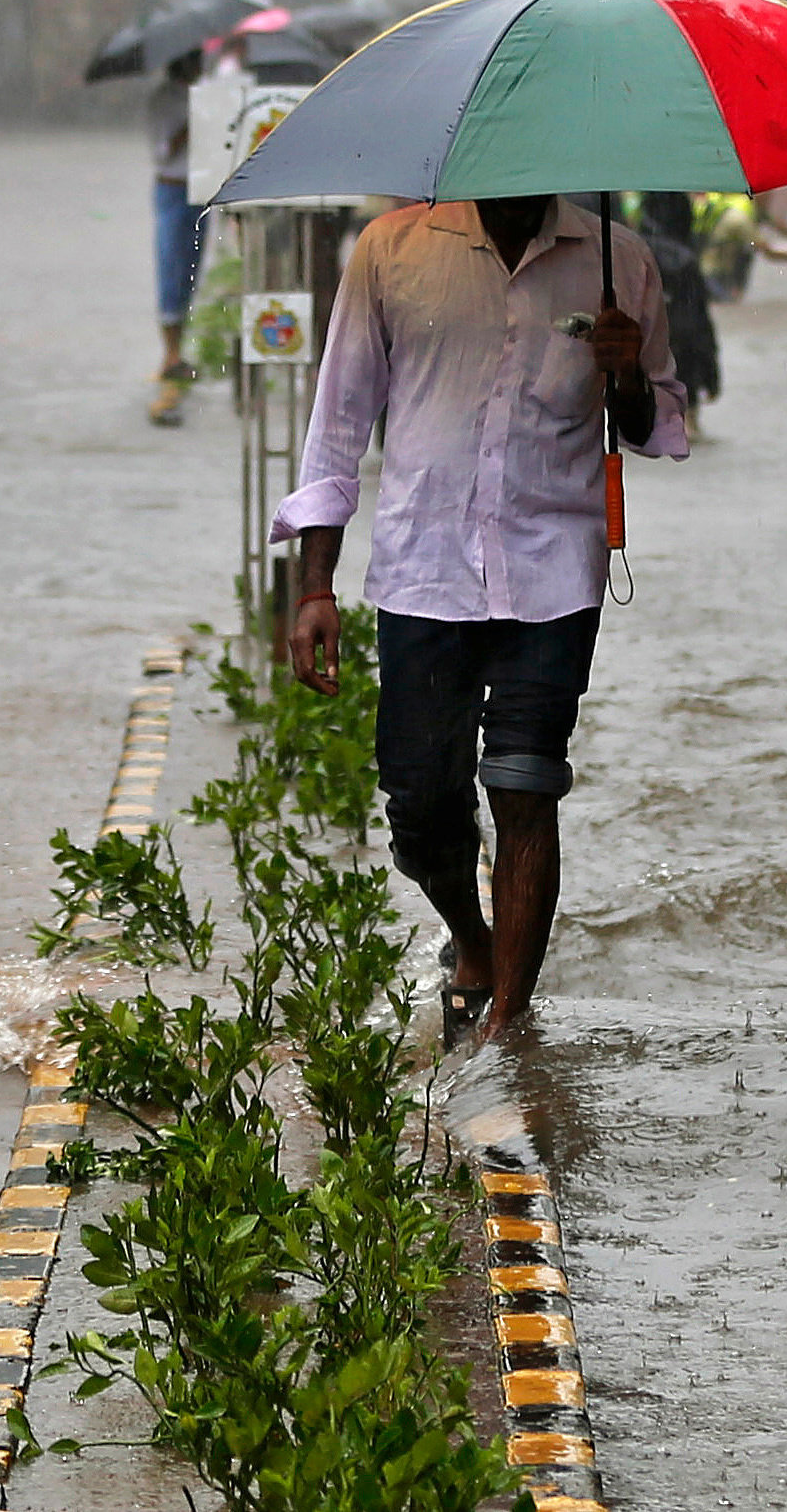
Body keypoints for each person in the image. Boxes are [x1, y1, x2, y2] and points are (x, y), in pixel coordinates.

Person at [277, 193, 688, 1044]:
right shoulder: (390, 251)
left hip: (555, 569)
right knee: (420, 807)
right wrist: (315, 584)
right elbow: (338, 424)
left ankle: (508, 1025)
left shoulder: (621, 260)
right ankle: (473, 937)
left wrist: (626, 373)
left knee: (527, 784)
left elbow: (654, 424)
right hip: (424, 567)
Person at [148, 51, 208, 425]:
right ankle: (169, 352)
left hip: (198, 191)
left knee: (191, 271)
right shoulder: (163, 101)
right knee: (170, 267)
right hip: (172, 189)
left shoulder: (203, 96)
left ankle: (179, 348)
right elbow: (163, 150)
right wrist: (192, 124)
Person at [631, 193, 722, 427]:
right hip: (683, 361)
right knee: (685, 431)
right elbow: (700, 323)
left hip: (639, 359)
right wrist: (712, 377)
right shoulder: (686, 260)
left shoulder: (628, 254)